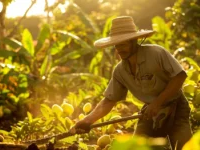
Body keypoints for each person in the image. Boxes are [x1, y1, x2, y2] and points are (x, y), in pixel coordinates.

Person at [72, 16, 192, 150]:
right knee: (137, 147)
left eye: (123, 44)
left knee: (184, 146)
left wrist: (157, 102)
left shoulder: (156, 53)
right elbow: (109, 100)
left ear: (134, 41)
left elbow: (180, 76)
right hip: (149, 112)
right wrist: (87, 120)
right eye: (116, 45)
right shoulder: (120, 71)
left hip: (176, 106)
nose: (119, 49)